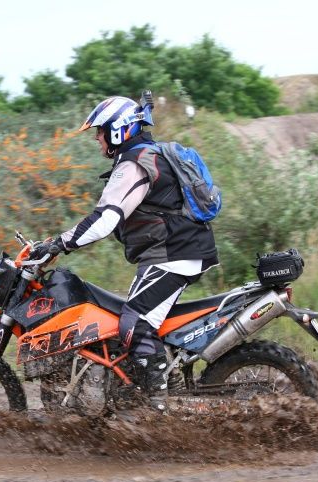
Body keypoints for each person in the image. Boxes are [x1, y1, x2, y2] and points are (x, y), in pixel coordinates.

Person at [31, 95, 219, 411]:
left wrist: (58, 244)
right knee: (129, 322)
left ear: (118, 129)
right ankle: (155, 381)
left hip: (174, 254)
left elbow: (106, 218)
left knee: (135, 323)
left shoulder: (135, 163)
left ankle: (158, 408)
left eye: (100, 130)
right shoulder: (143, 156)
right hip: (170, 253)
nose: (97, 138)